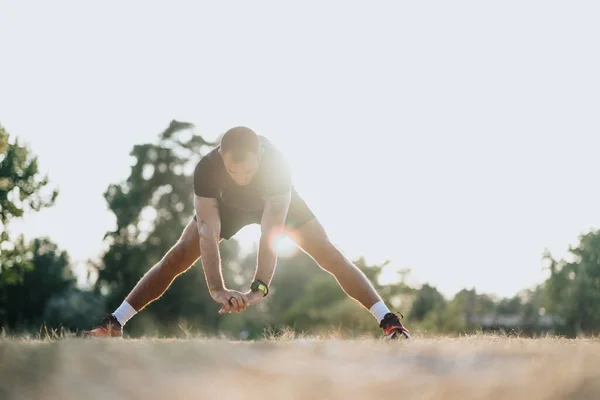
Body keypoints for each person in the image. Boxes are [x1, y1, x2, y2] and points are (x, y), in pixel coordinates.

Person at [84, 126, 410, 339]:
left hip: (275, 204)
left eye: (248, 169)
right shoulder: (206, 169)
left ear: (261, 158)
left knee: (329, 253)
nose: (240, 176)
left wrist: (259, 288)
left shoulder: (278, 167)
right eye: (232, 169)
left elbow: (272, 231)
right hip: (227, 207)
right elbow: (208, 232)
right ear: (220, 158)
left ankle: (389, 321)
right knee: (179, 254)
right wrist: (217, 288)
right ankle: (114, 322)